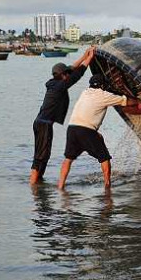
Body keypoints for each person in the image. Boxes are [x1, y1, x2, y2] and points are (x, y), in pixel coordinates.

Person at [58, 74, 141, 190]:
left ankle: (60, 186)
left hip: (72, 128)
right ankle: (107, 186)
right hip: (86, 130)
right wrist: (139, 101)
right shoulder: (104, 95)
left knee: (68, 159)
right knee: (105, 158)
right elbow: (127, 101)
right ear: (103, 86)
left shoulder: (84, 93)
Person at [29, 47, 96, 185]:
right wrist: (89, 59)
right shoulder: (60, 86)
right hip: (44, 124)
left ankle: (38, 180)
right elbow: (77, 75)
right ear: (62, 75)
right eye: (66, 74)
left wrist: (84, 56)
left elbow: (71, 69)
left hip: (40, 122)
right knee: (41, 155)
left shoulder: (54, 82)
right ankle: (33, 184)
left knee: (43, 154)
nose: (68, 75)